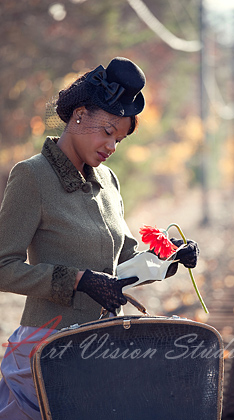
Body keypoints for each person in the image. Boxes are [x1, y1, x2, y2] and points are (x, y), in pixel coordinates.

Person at [0, 57, 199, 419]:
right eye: (107, 132)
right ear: (79, 116)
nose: (112, 146)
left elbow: (124, 261)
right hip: (47, 348)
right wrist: (78, 280)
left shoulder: (108, 181)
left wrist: (170, 258)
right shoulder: (31, 176)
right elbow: (3, 267)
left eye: (119, 139)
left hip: (104, 347)